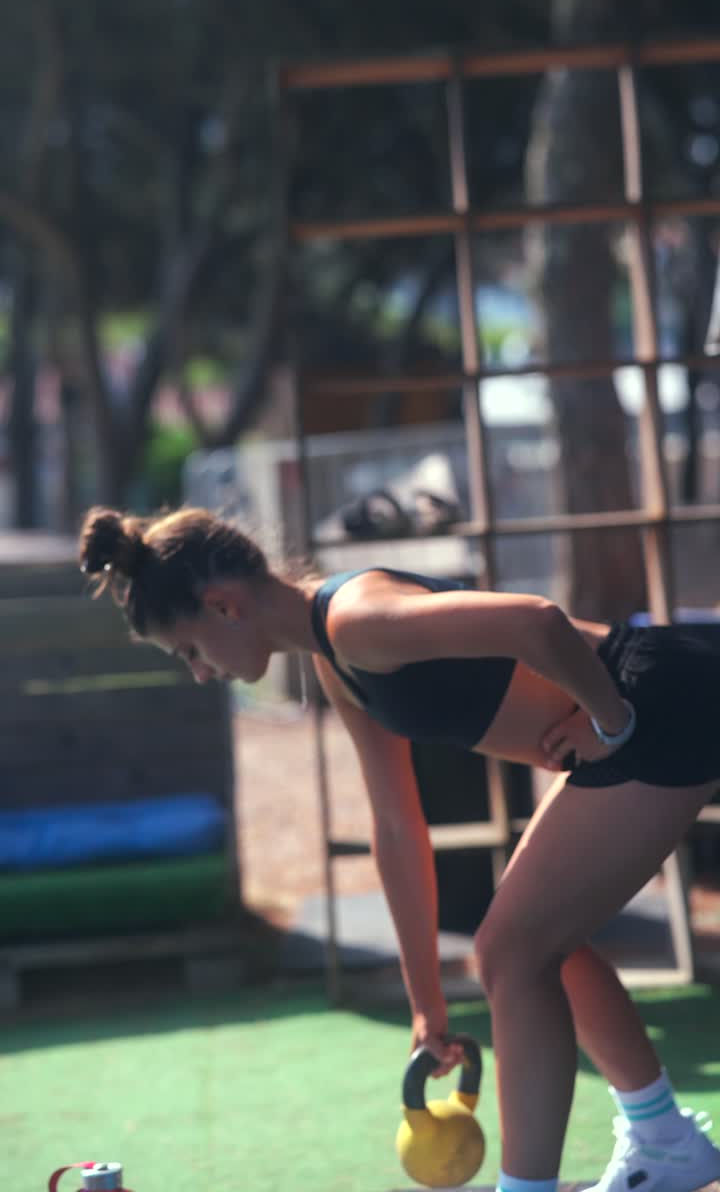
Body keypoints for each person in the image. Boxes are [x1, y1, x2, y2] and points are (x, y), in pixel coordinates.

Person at [78, 503, 720, 1192]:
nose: (199, 672)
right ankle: (664, 1141)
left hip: (658, 704)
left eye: (189, 651)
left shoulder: (357, 619)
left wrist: (610, 720)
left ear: (224, 606)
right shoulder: (337, 662)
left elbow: (536, 620)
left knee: (513, 950)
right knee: (535, 945)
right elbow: (396, 825)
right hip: (632, 722)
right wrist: (426, 1004)